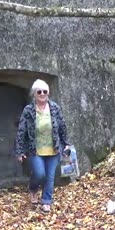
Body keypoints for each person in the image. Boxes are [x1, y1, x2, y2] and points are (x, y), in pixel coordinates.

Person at [15, 79, 70, 212]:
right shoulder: (28, 110)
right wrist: (19, 151)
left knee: (50, 176)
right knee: (40, 174)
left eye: (45, 91)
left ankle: (46, 201)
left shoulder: (55, 108)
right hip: (35, 149)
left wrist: (66, 143)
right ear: (34, 94)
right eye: (39, 92)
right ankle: (33, 188)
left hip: (54, 148)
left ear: (48, 93)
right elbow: (21, 130)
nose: (42, 94)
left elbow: (62, 126)